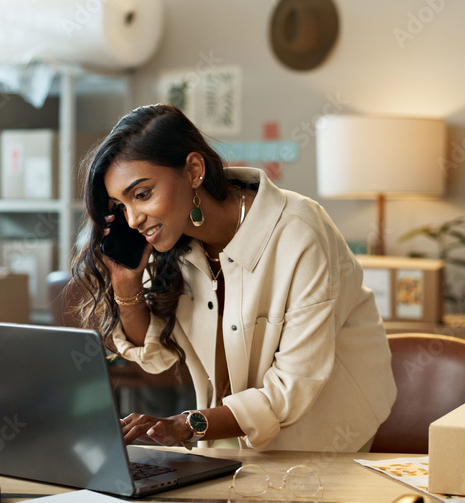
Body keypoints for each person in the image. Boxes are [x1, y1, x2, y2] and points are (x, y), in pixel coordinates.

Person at [70, 104, 396, 452]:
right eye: (121, 206)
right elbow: (157, 357)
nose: (133, 219)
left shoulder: (299, 232)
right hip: (229, 438)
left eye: (142, 194)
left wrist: (185, 425)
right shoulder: (172, 243)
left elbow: (292, 387)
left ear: (194, 170)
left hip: (326, 437)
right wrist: (125, 283)